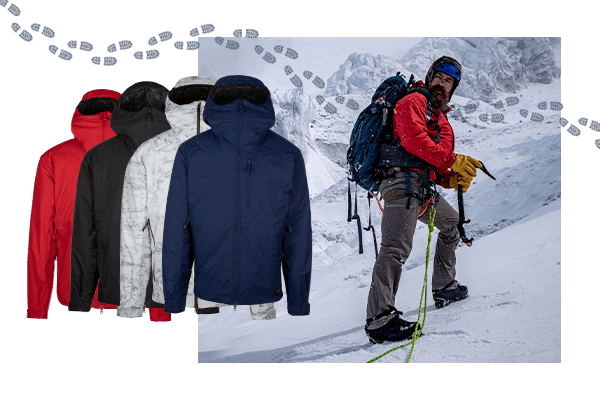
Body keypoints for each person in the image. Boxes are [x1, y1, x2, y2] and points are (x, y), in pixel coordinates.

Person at [364, 56, 482, 344]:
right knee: (395, 247)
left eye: (449, 82)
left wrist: (449, 177)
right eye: (439, 78)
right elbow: (412, 140)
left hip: (421, 188)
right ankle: (379, 319)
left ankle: (444, 286)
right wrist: (453, 161)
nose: (443, 85)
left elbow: (431, 162)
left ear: (453, 89)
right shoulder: (413, 100)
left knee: (452, 225)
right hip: (400, 183)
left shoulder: (438, 117)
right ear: (430, 78)